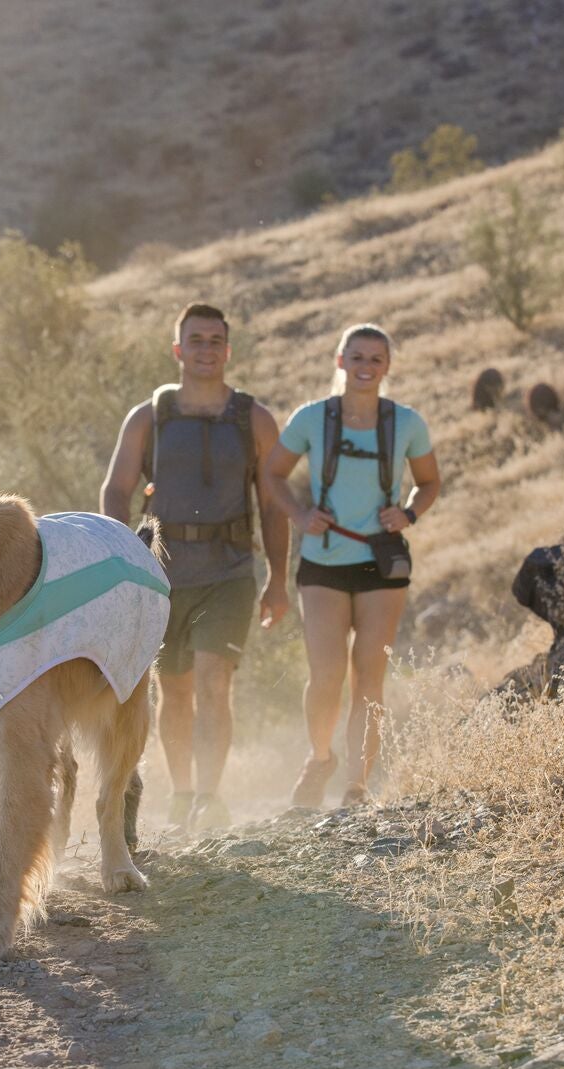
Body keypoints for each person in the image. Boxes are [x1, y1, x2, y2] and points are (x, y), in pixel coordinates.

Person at [100, 302, 291, 831]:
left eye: (215, 340)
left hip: (230, 571)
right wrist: (123, 560)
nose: (206, 349)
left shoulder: (254, 418)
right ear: (178, 349)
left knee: (213, 683)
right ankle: (182, 793)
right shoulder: (150, 417)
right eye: (196, 340)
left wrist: (278, 577)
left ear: (227, 351)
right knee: (175, 689)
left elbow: (274, 504)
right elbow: (116, 489)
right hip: (160, 574)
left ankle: (210, 795)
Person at [263, 323, 442, 807]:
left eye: (375, 360)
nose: (365, 367)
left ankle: (356, 785)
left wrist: (407, 513)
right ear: (340, 361)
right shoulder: (311, 419)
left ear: (387, 367)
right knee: (326, 675)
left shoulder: (406, 423)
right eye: (356, 357)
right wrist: (301, 514)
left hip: (381, 566)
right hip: (322, 564)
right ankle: (320, 758)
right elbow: (272, 474)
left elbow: (429, 483)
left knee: (369, 675)